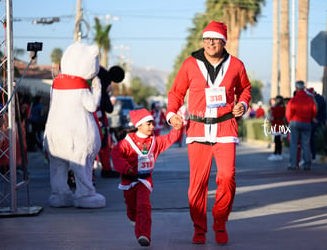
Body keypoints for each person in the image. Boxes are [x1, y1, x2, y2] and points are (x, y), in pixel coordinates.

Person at [166, 20, 251, 245]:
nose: (210, 43)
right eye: (206, 39)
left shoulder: (236, 65)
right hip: (197, 130)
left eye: (214, 39)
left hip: (225, 128)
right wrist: (171, 114)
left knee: (227, 177)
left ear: (223, 41)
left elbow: (245, 89)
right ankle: (199, 228)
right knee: (198, 183)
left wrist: (243, 104)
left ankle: (220, 222)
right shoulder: (190, 64)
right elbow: (176, 93)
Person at [110, 108, 182, 247]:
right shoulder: (127, 142)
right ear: (138, 125)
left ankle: (144, 234)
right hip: (129, 181)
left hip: (145, 181)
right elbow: (116, 154)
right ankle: (133, 218)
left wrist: (177, 129)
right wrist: (126, 167)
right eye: (148, 124)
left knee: (144, 206)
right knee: (132, 209)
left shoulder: (155, 142)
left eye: (152, 123)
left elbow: (169, 138)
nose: (152, 127)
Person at [286, 81, 317, 170]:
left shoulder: (293, 100)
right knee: (306, 144)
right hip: (307, 123)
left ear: (296, 88)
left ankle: (293, 164)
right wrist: (309, 118)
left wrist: (290, 121)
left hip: (295, 122)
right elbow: (314, 111)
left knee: (294, 144)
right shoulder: (309, 100)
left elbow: (288, 113)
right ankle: (307, 164)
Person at [267, 95, 286, 161]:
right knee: (277, 139)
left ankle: (278, 153)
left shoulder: (281, 107)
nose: (277, 101)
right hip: (276, 123)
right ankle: (277, 153)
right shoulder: (276, 107)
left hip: (279, 123)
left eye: (278, 99)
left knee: (278, 140)